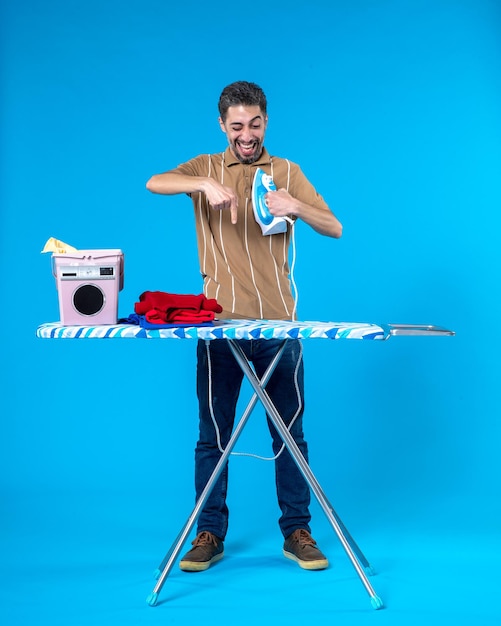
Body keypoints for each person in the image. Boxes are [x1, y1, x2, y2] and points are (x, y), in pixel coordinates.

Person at [146, 81, 342, 573]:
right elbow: (155, 181)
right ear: (222, 126)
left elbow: (335, 225)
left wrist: (297, 207)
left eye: (254, 124)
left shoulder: (286, 171)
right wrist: (201, 185)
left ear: (266, 122)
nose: (246, 134)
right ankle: (209, 532)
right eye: (237, 126)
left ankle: (297, 530)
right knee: (213, 434)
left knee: (289, 433)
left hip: (280, 327)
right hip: (220, 328)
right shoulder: (205, 167)